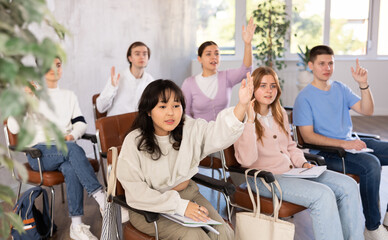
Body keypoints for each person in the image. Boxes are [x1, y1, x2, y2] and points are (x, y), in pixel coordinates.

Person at [233, 66, 363, 240]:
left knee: (348, 185)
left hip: (292, 172)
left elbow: (291, 146)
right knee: (322, 196)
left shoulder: (279, 113)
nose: (269, 90)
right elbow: (247, 160)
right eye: (263, 85)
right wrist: (249, 120)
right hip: (264, 179)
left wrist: (303, 164)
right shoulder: (241, 119)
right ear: (252, 88)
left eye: (273, 86)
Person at [116, 76, 253, 239]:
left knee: (224, 233)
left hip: (189, 195)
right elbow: (136, 192)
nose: (171, 112)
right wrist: (180, 206)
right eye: (162, 106)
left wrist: (242, 105)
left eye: (176, 105)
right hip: (149, 208)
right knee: (193, 235)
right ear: (148, 111)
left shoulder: (189, 128)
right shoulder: (134, 141)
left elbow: (218, 133)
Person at [293, 45, 388, 240]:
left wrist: (363, 84)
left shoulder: (340, 88)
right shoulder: (304, 98)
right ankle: (372, 227)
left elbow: (367, 110)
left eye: (330, 63)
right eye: (321, 64)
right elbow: (309, 137)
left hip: (352, 144)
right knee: (371, 165)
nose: (327, 68)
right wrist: (345, 145)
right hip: (327, 153)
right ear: (311, 66)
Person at [8, 58, 105, 240]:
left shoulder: (68, 96)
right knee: (73, 150)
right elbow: (13, 128)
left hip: (64, 149)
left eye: (58, 64)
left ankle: (76, 226)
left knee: (70, 165)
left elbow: (81, 124)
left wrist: (72, 135)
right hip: (39, 153)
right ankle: (101, 198)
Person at [181, 17, 256, 122]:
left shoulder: (226, 77)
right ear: (199, 59)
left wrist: (248, 44)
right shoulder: (189, 83)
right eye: (208, 54)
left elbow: (245, 71)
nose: (214, 57)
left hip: (224, 133)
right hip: (199, 135)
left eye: (217, 53)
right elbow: (185, 114)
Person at [96, 41, 154, 116]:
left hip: (140, 124)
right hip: (118, 124)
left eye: (145, 54)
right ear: (130, 58)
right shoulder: (117, 78)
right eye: (137, 54)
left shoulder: (150, 81)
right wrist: (112, 88)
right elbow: (100, 108)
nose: (142, 57)